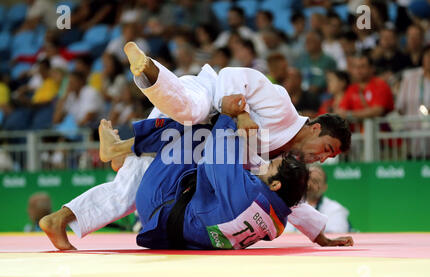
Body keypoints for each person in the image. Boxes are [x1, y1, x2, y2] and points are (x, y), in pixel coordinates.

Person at [39, 41, 352, 250]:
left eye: (330, 157)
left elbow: (283, 197)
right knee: (192, 110)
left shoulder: (283, 161)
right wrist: (241, 113)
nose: (323, 159)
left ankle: (63, 216)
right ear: (315, 128)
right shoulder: (282, 106)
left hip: (202, 140)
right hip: (203, 95)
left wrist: (319, 235)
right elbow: (231, 73)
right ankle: (148, 69)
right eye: (327, 148)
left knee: (130, 191)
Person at [285, 165, 350, 234]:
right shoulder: (289, 205)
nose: (309, 184)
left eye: (315, 181)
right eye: (307, 179)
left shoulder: (335, 209)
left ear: (325, 187)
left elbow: (335, 236)